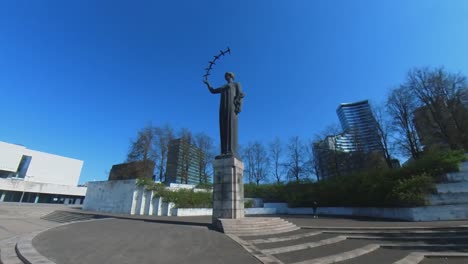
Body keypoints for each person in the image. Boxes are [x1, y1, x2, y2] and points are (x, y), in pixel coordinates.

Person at [204, 72, 245, 158]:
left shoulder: (236, 84)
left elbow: (241, 95)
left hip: (231, 107)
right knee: (223, 127)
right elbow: (213, 91)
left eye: (227, 75)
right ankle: (224, 151)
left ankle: (231, 150)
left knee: (231, 126)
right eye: (225, 75)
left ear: (231, 76)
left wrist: (239, 107)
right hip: (223, 107)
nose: (225, 77)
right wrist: (208, 84)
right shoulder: (223, 87)